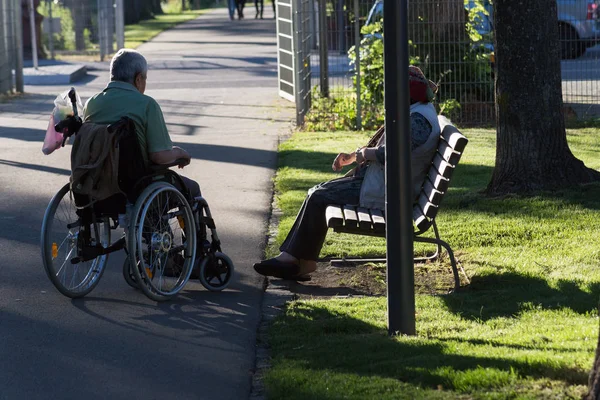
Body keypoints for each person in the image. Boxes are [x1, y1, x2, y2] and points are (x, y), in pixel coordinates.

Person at [253, 66, 441, 280]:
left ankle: (297, 261)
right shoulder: (416, 112)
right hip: (380, 183)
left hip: (387, 194)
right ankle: (297, 261)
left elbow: (396, 154)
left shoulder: (419, 121)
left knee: (318, 195)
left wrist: (366, 154)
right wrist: (354, 156)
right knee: (318, 192)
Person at [83, 48, 200, 200]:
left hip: (98, 184)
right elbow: (159, 156)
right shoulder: (146, 105)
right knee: (193, 189)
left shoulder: (91, 104)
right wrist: (179, 152)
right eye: (145, 78)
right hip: (138, 186)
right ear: (138, 79)